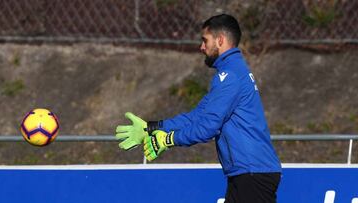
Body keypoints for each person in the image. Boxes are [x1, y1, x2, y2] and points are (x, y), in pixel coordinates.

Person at [116, 14, 282, 203]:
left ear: (220, 40)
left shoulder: (230, 76)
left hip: (252, 173)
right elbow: (196, 117)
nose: (201, 47)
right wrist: (151, 128)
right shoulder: (230, 74)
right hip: (250, 172)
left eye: (205, 40)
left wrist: (168, 140)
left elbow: (208, 127)